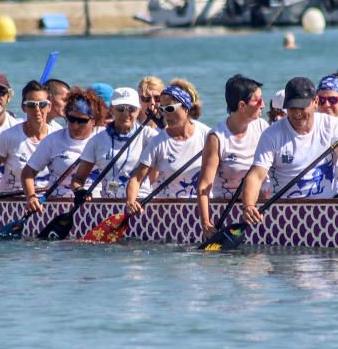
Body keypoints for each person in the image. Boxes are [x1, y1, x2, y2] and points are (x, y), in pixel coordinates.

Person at [241, 77, 338, 225]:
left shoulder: (333, 126)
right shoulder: (271, 135)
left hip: (328, 211)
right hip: (286, 214)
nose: (297, 113)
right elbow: (256, 175)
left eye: (302, 107)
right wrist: (248, 205)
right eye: (292, 108)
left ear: (315, 102)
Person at [197, 75, 269, 239]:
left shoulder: (262, 126)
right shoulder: (217, 137)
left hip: (257, 209)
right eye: (258, 100)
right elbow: (204, 185)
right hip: (226, 209)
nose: (263, 105)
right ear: (242, 105)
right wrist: (206, 224)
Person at [125, 79, 210, 214]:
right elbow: (136, 179)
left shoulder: (207, 135)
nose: (166, 114)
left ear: (186, 107)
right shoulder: (157, 142)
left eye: (170, 108)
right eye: (162, 109)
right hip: (168, 212)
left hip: (203, 208)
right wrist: (130, 202)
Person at [0, 80, 60, 202]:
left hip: (48, 203)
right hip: (12, 205)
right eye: (31, 104)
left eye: (42, 104)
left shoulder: (58, 136)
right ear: (23, 107)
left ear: (49, 106)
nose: (37, 109)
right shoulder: (9, 137)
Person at [21, 87, 105, 212]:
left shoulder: (104, 138)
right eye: (71, 119)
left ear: (93, 120)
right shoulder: (53, 141)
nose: (75, 125)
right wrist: (31, 197)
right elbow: (28, 173)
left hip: (97, 205)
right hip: (58, 205)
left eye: (82, 120)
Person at [72, 87, 156, 200]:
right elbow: (78, 179)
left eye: (131, 109)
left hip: (141, 201)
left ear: (139, 110)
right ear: (111, 109)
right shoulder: (96, 141)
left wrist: (163, 125)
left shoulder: (149, 136)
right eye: (121, 108)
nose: (126, 114)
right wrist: (79, 190)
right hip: (109, 203)